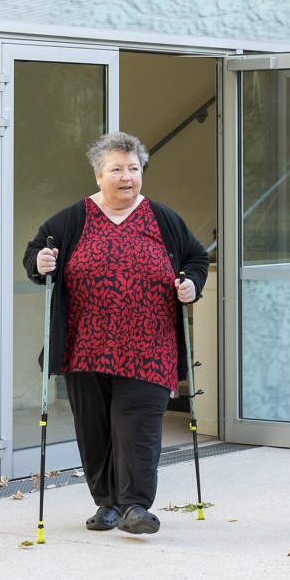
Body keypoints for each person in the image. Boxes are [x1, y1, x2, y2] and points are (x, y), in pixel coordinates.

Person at [23, 131, 209, 535]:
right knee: (95, 429)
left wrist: (192, 284)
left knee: (138, 425)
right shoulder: (72, 218)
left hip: (149, 347)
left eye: (134, 168)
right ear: (98, 173)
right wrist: (41, 261)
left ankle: (136, 506)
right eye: (117, 169)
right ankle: (106, 502)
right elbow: (35, 254)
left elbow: (196, 257)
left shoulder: (162, 218)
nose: (127, 177)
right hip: (84, 347)